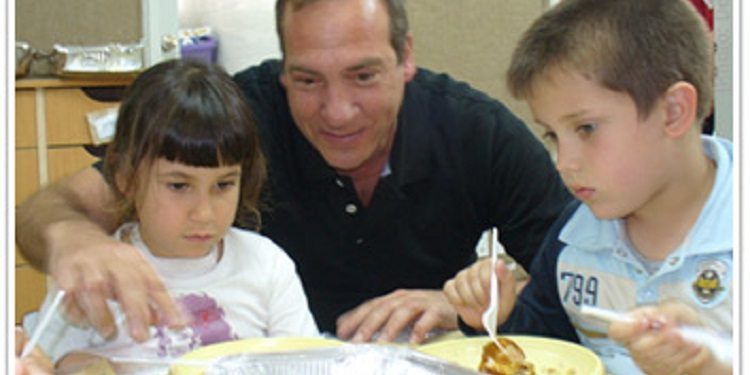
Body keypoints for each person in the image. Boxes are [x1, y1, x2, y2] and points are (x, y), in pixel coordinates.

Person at [15, 0, 570, 344]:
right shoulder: (239, 115)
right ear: (282, 68)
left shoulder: (476, 132)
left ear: (405, 57)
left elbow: (577, 264)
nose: (336, 111)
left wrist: (469, 303)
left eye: (362, 76)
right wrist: (71, 239)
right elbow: (50, 210)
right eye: (306, 80)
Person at [443, 0, 731, 374]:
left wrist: (710, 365)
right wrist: (497, 316)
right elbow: (551, 347)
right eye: (552, 135)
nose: (563, 162)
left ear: (673, 111)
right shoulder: (572, 237)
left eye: (586, 129)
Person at [26, 59, 318, 370]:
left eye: (223, 184)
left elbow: (308, 363)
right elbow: (42, 360)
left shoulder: (267, 266)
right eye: (179, 185)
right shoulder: (96, 275)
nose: (204, 213)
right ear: (126, 179)